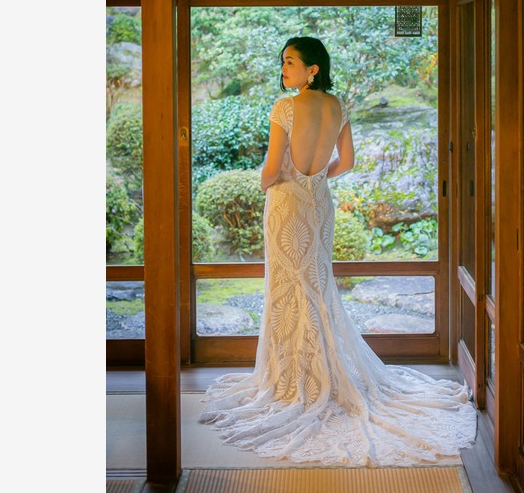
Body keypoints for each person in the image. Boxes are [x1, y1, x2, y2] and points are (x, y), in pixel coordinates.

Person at [200, 36, 477, 466]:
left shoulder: (285, 108)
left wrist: (273, 181)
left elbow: (271, 170)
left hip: (288, 204)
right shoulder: (338, 106)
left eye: (290, 62)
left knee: (288, 286)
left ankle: (294, 378)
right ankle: (324, 371)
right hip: (318, 203)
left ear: (313, 69)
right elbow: (345, 162)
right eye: (283, 63)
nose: (283, 69)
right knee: (317, 284)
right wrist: (316, 179)